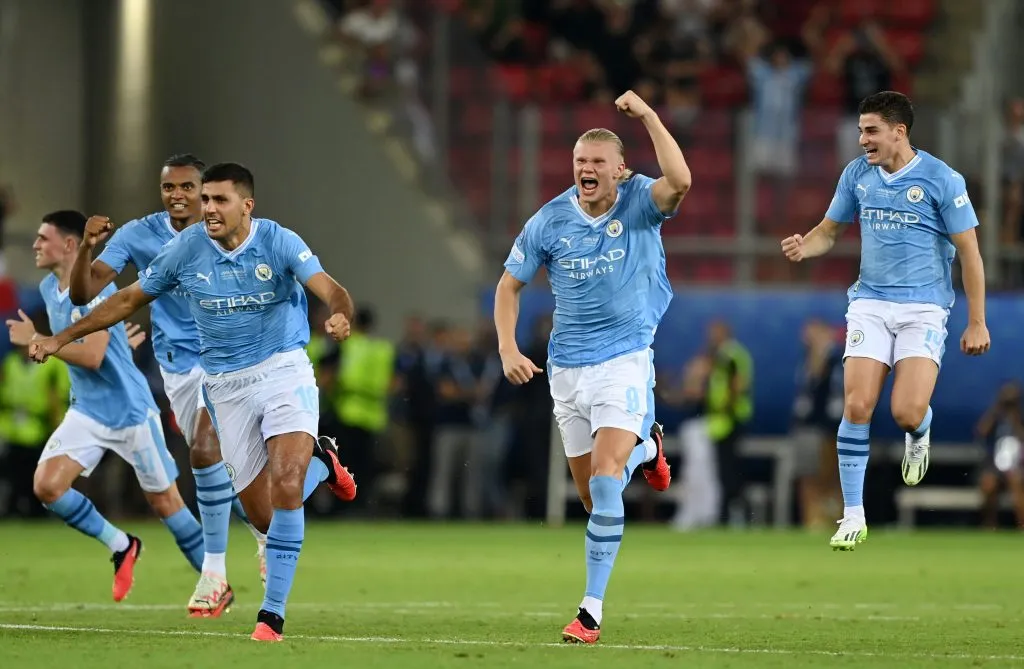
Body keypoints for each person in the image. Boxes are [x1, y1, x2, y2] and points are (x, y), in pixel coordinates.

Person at [30, 163, 358, 643]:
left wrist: (340, 314)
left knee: (283, 485)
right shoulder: (185, 248)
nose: (208, 208)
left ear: (247, 205)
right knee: (264, 515)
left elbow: (331, 289)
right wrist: (61, 337)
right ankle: (323, 463)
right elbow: (125, 300)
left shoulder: (279, 241)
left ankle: (270, 616)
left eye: (218, 199)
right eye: (206, 199)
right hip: (225, 385)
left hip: (282, 371)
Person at [494, 90, 689, 644]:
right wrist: (508, 348)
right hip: (567, 371)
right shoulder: (549, 220)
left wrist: (648, 114)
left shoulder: (640, 201)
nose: (587, 169)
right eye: (580, 161)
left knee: (605, 484)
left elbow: (680, 181)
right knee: (591, 497)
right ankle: (648, 449)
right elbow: (508, 286)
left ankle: (590, 611)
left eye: (598, 162)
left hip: (624, 362)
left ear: (620, 170)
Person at [780, 91, 991, 551]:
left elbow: (971, 255)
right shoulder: (857, 175)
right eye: (860, 130)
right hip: (870, 304)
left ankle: (920, 428)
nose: (862, 140)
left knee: (905, 412)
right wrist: (804, 246)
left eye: (871, 131)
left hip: (924, 308)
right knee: (857, 406)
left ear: (899, 131)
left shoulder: (942, 179)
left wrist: (977, 321)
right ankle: (853, 515)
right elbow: (829, 232)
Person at [69, 153, 260, 617]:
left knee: (207, 450)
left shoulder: (230, 232)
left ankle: (213, 574)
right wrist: (86, 248)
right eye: (169, 188)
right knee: (227, 467)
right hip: (178, 367)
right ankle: (267, 530)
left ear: (205, 192)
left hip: (229, 358)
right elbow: (83, 292)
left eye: (187, 188)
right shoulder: (138, 234)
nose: (177, 196)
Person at [9, 210, 206, 601]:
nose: (35, 245)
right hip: (87, 410)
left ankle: (214, 578)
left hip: (131, 412)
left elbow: (93, 356)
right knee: (47, 486)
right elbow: (97, 347)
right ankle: (122, 545)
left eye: (43, 238)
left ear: (69, 244)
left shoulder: (96, 290)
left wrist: (39, 340)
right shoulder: (49, 288)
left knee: (165, 502)